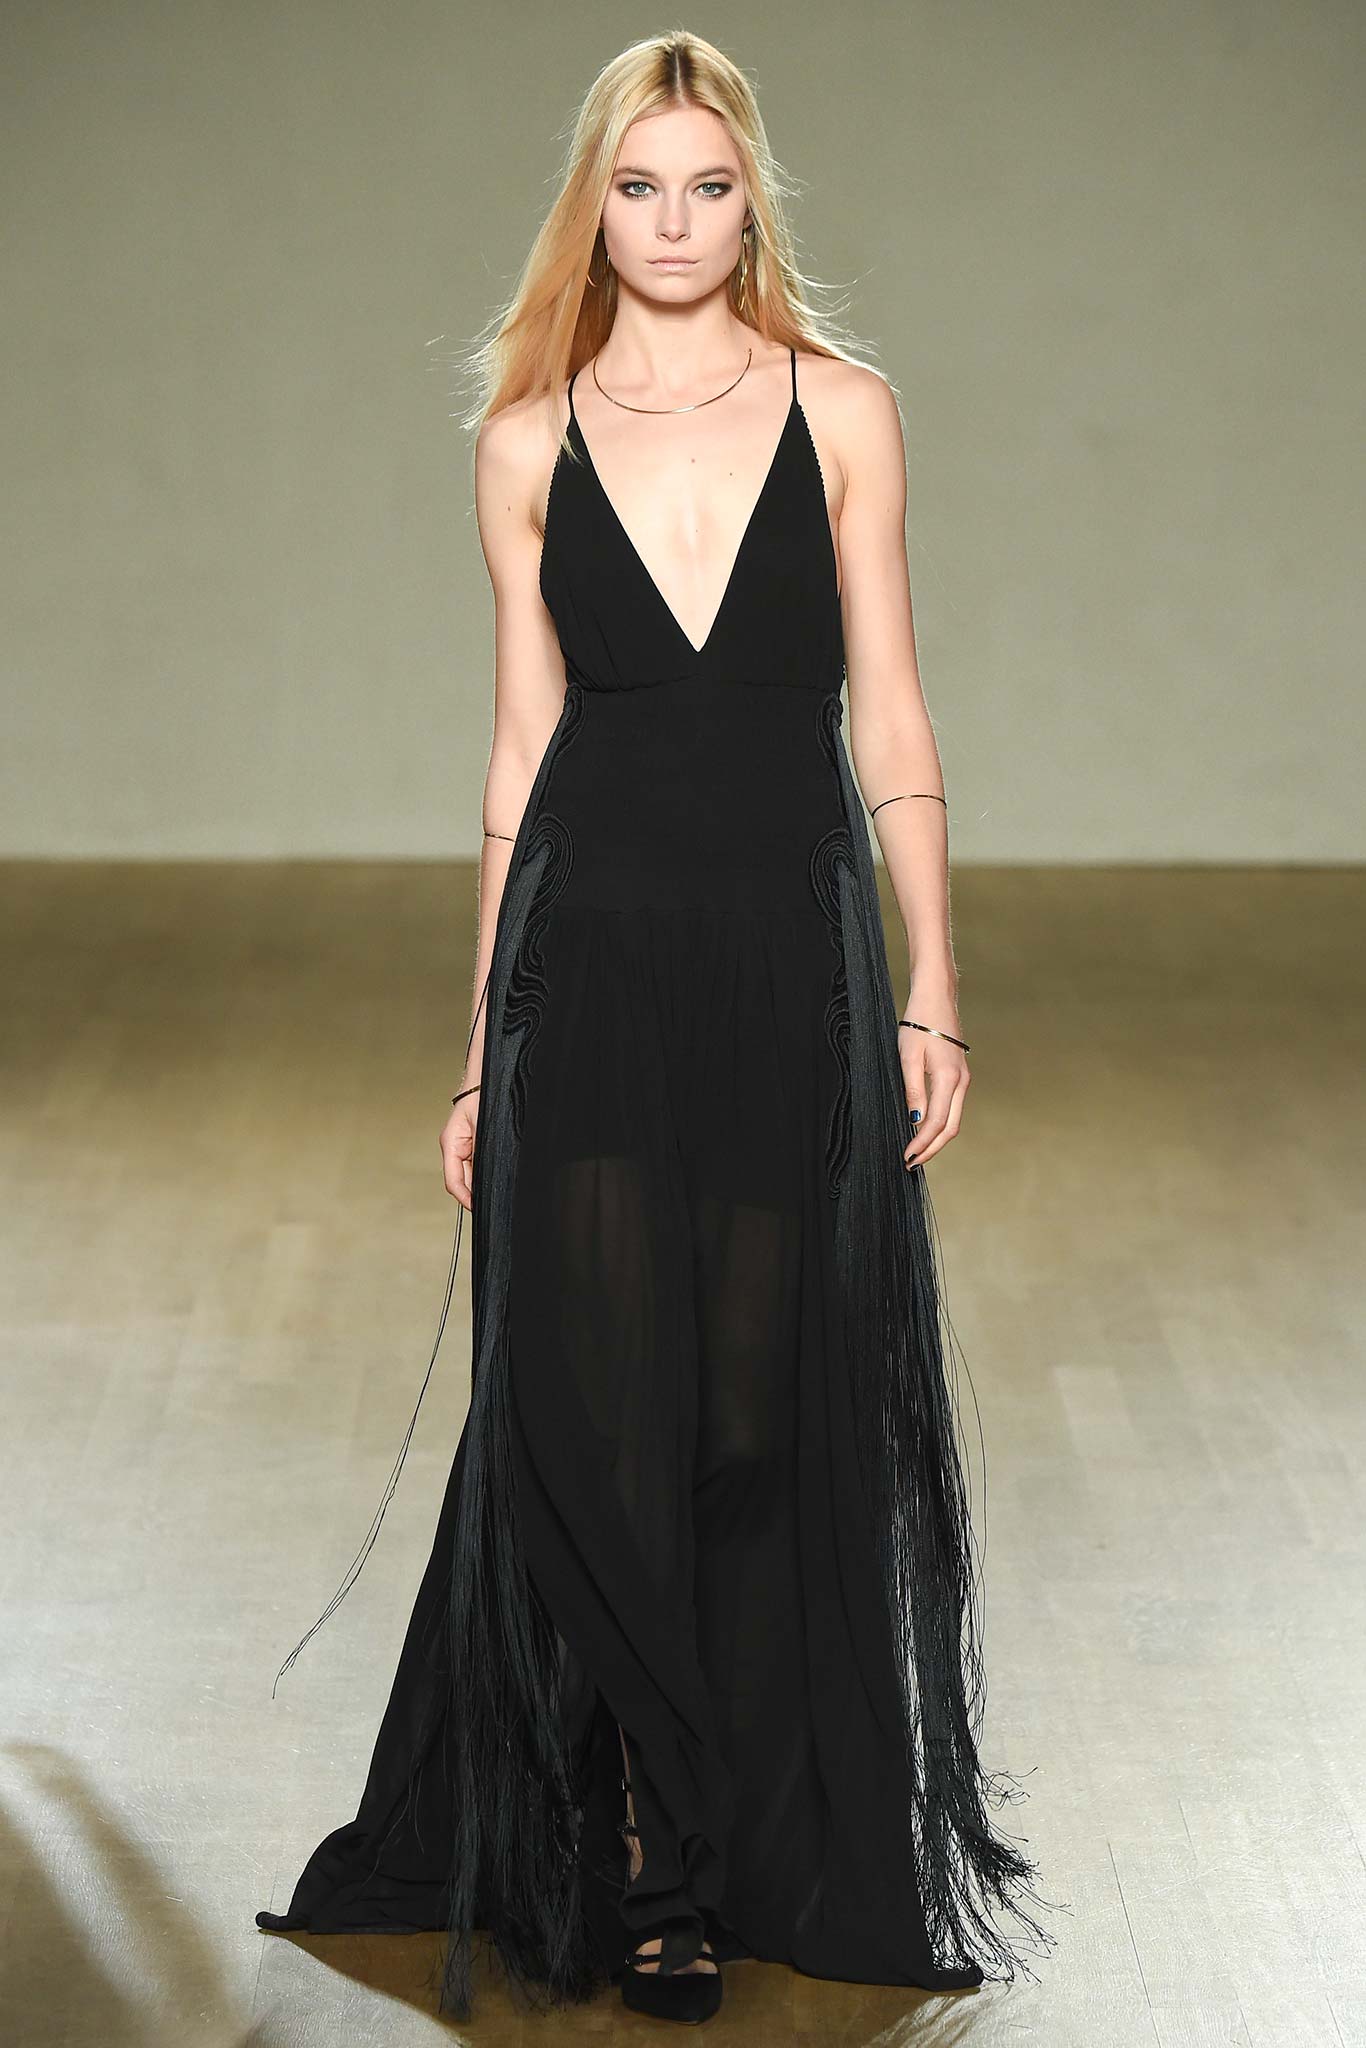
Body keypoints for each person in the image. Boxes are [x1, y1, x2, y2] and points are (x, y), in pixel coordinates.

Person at [255, 28, 1057, 2027]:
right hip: (588, 962)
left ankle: (730, 1837)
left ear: (748, 200)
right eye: (638, 186)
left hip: (791, 955)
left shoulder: (843, 411)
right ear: (592, 205)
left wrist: (933, 977)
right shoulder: (521, 442)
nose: (674, 221)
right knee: (592, 1406)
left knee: (751, 1408)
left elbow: (890, 706)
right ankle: (649, 1864)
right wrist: (478, 1042)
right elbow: (518, 751)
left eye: (707, 185)